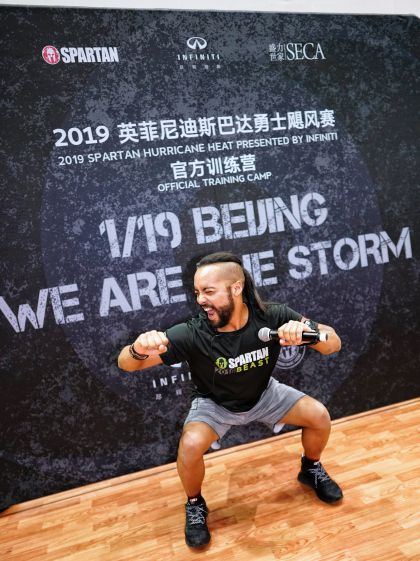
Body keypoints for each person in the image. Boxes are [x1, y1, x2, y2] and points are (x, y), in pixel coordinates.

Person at [118, 251, 343, 548]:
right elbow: (126, 364)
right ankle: (195, 505)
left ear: (236, 288)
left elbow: (333, 343)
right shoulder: (192, 333)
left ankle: (310, 468)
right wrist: (137, 349)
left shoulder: (272, 315)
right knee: (190, 446)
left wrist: (309, 333)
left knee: (319, 416)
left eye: (209, 291)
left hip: (264, 394)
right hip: (215, 404)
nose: (200, 299)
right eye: (197, 292)